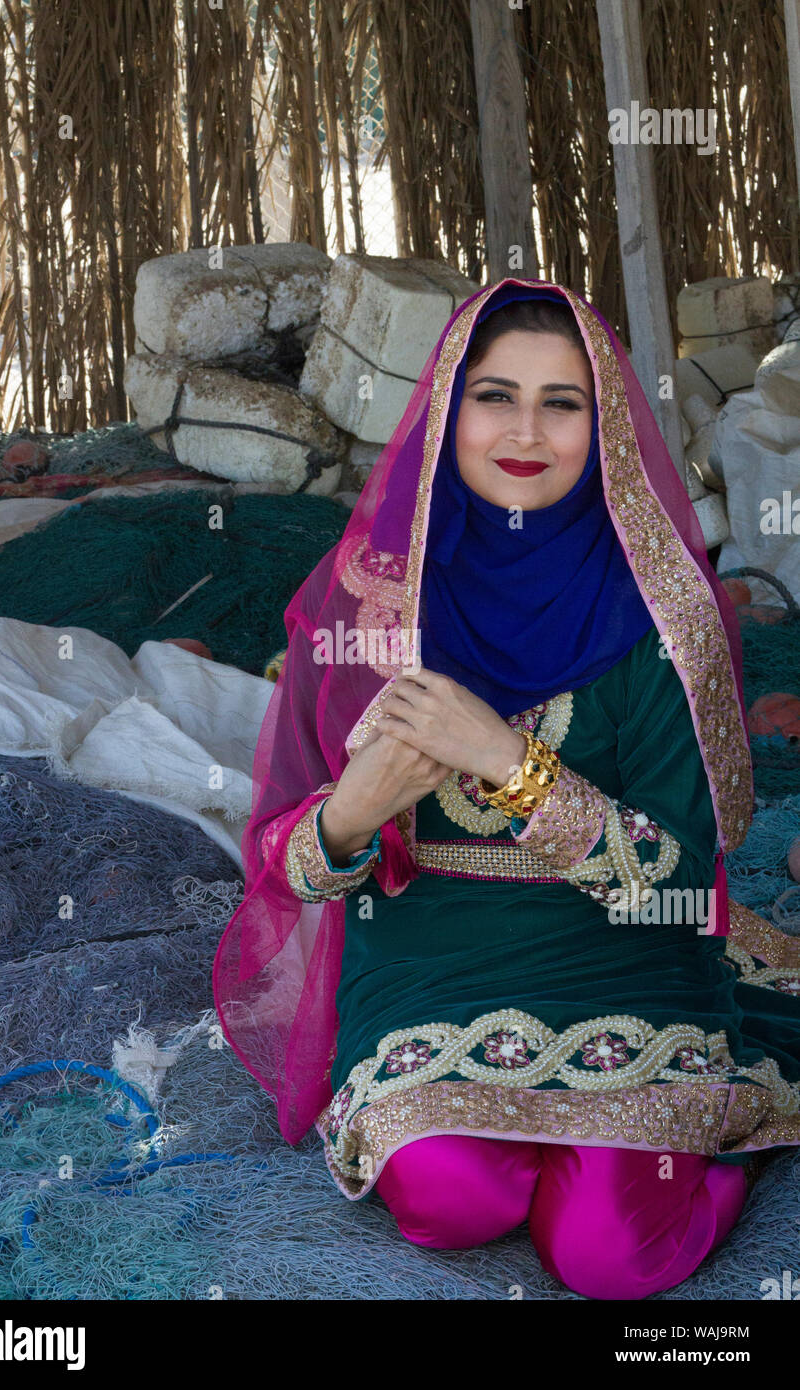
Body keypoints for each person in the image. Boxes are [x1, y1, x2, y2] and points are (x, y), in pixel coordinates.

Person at [214, 278, 800, 1300]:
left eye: (561, 401)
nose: (524, 431)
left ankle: (724, 1126)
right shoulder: (367, 598)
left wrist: (505, 759)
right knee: (450, 1199)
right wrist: (357, 805)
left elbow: (676, 880)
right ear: (447, 411)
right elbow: (285, 860)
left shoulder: (660, 613)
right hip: (426, 958)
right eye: (494, 396)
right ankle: (541, 1143)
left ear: (604, 419)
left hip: (623, 963)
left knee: (608, 1257)